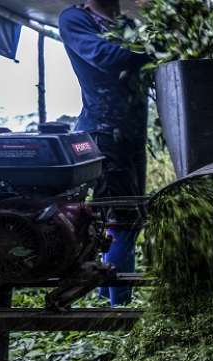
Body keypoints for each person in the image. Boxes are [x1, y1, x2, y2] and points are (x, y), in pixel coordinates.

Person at [59, 0, 149, 306]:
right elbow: (104, 56)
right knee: (122, 217)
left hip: (132, 133)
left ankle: (104, 294)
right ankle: (119, 307)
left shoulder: (126, 25)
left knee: (130, 215)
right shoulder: (75, 18)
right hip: (103, 131)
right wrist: (155, 48)